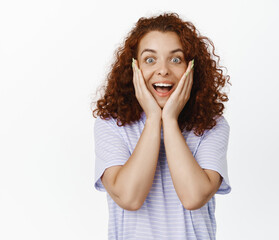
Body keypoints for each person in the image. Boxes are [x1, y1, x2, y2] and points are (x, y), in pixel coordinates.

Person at [92, 12, 231, 239]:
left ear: (191, 69)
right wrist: (154, 118)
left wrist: (169, 119)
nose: (163, 70)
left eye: (176, 59)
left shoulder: (212, 125)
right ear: (133, 69)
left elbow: (194, 197)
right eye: (150, 59)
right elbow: (129, 197)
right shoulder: (111, 123)